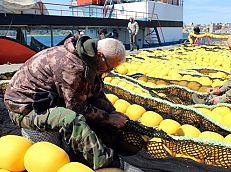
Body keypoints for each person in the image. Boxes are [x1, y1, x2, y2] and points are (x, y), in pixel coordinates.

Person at [4, 35, 140, 170]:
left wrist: (112, 111)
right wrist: (108, 118)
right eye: (109, 67)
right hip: (23, 108)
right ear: (99, 55)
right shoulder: (72, 66)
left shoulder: (87, 56)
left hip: (44, 98)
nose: (108, 71)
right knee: (70, 119)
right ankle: (105, 162)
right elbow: (77, 108)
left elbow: (95, 92)